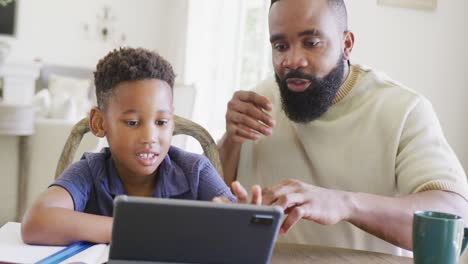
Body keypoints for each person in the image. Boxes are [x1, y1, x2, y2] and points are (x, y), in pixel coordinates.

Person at [218, 0, 468, 256]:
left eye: (311, 43)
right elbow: (212, 204)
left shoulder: (404, 110)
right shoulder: (262, 101)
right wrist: (231, 140)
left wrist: (344, 203)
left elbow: (454, 218)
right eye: (281, 46)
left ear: (346, 44)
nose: (293, 61)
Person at [21, 47, 240, 245]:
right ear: (99, 123)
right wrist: (142, 230)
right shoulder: (89, 172)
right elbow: (36, 221)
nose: (150, 137)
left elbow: (234, 227)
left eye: (162, 122)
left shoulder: (195, 171)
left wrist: (241, 218)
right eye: (133, 123)